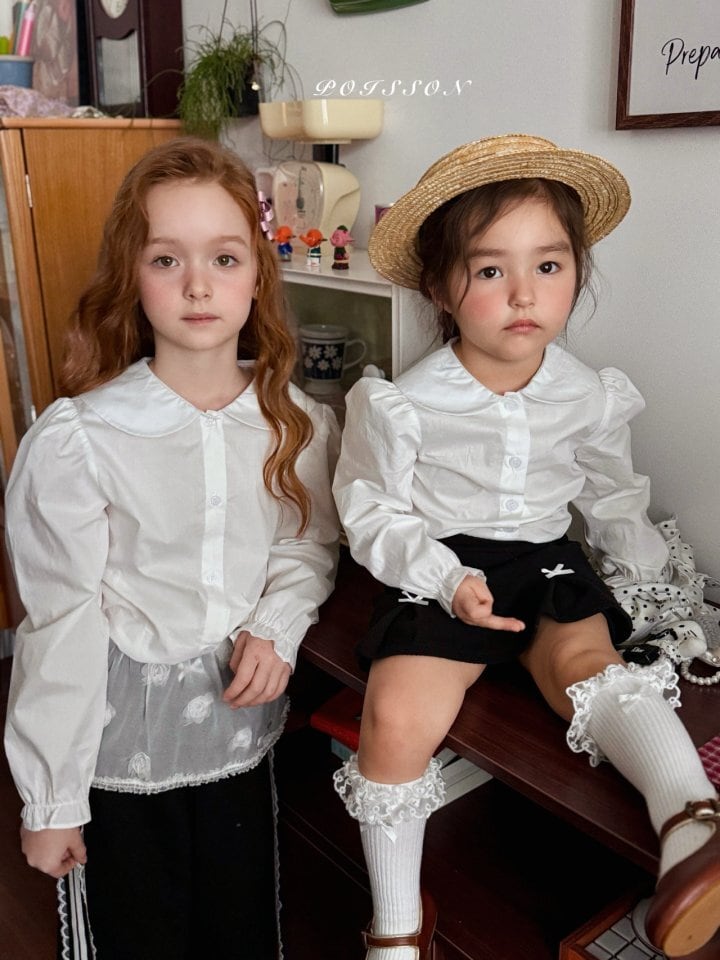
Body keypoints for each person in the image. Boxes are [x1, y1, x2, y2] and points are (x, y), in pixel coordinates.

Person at [331, 134, 719, 960]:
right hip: (445, 567)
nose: (523, 294)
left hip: (547, 564)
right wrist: (444, 578)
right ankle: (396, 925)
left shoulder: (589, 394)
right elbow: (370, 511)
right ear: (440, 285)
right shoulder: (404, 404)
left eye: (548, 266)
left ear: (578, 272)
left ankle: (692, 822)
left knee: (591, 667)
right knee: (396, 715)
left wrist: (653, 582)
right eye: (488, 270)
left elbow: (612, 495)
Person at [4, 137, 340, 960]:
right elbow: (60, 620)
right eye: (166, 259)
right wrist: (52, 801)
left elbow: (306, 545)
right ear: (133, 274)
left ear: (256, 275)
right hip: (116, 752)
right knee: (137, 936)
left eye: (224, 258)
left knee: (239, 930)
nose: (198, 284)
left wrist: (278, 625)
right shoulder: (83, 439)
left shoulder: (295, 421)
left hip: (238, 736)